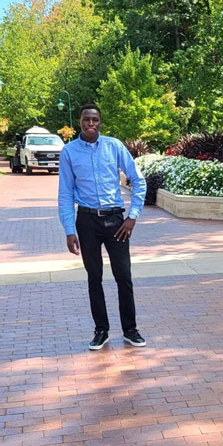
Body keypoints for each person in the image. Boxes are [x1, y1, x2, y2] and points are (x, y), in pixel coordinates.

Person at [58, 104, 147, 351]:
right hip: (86, 222)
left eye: (95, 119)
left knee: (124, 277)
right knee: (94, 278)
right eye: (86, 119)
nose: (91, 124)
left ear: (100, 122)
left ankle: (130, 329)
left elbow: (138, 180)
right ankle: (101, 330)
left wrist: (132, 217)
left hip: (116, 221)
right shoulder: (69, 152)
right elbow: (65, 193)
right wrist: (69, 230)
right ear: (80, 122)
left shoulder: (114, 146)